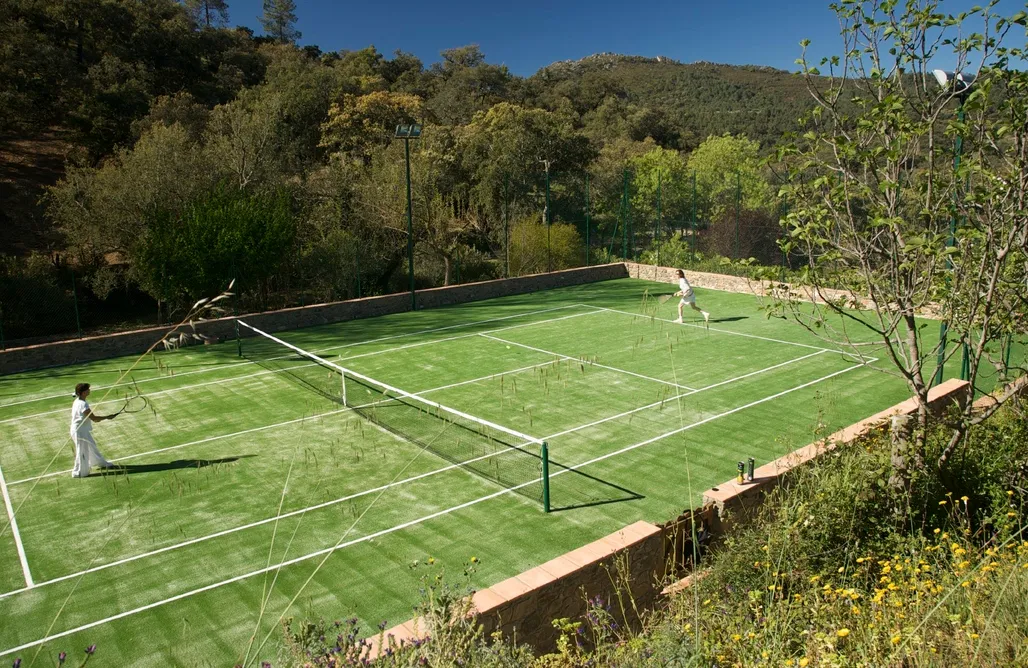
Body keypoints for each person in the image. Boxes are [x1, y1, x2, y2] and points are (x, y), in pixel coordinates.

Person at [70, 383, 116, 478]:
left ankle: (100, 463)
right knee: (81, 451)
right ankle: (79, 472)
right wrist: (108, 417)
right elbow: (94, 419)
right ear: (83, 393)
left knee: (91, 445)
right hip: (79, 431)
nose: (89, 390)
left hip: (81, 430)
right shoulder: (83, 404)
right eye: (87, 389)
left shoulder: (77, 401)